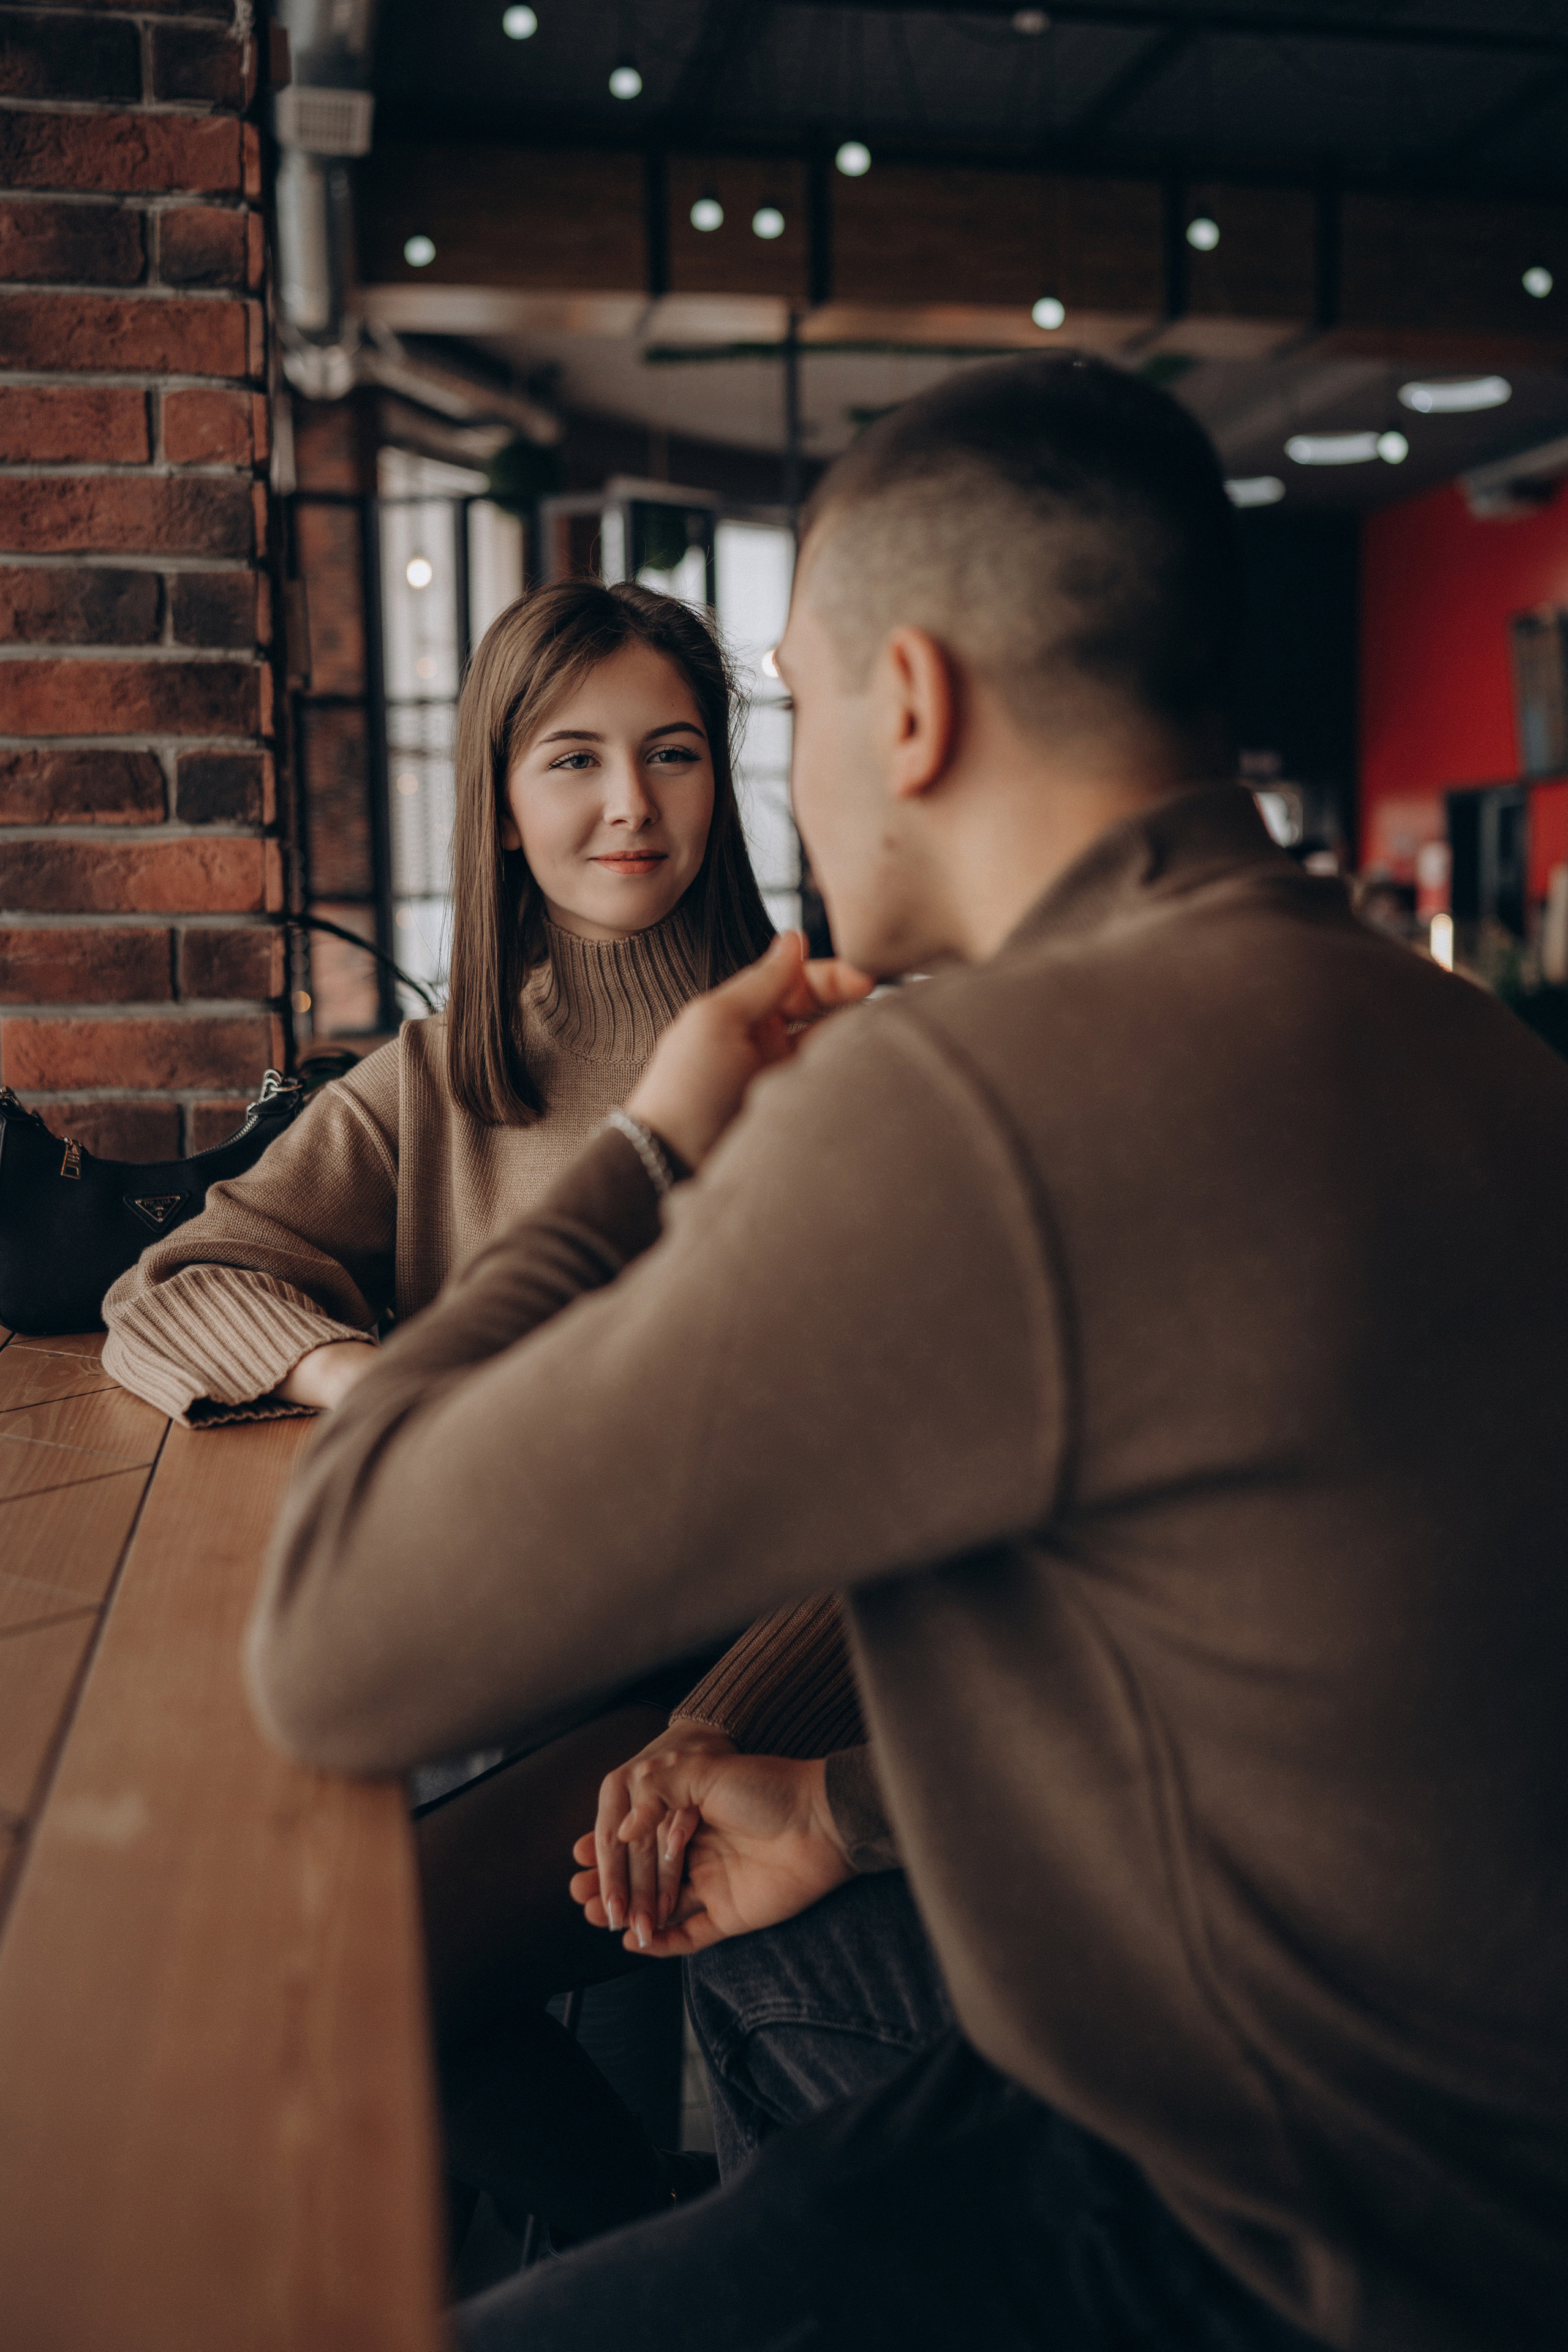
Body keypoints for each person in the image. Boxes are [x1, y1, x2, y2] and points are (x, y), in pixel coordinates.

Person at [248, 355, 1568, 2350]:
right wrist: (842, 1812)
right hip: (1463, 2096)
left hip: (1271, 2212)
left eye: (779, 709)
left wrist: (647, 1151)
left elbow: (338, 1635)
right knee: (749, 1962)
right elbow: (1283, 1669)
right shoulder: (1470, 1042)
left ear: (915, 705)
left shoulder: (977, 1097)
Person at [100, 578, 864, 2248]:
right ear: (502, 806)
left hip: (749, 1671)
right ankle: (621, 2256)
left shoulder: (823, 1051)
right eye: (573, 759)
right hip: (525, 1662)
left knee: (322, 1963)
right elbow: (167, 1291)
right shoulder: (442, 1080)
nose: (629, 804)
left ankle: (626, 2267)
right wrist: (362, 1377)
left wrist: (713, 1722)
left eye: (673, 753)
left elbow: (890, 1477)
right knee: (249, 1906)